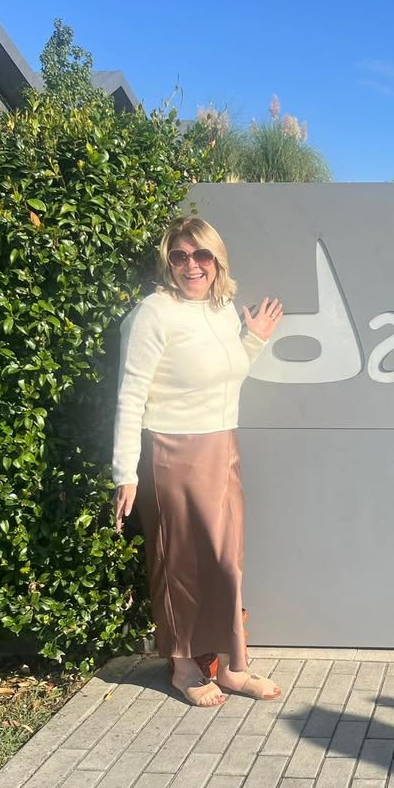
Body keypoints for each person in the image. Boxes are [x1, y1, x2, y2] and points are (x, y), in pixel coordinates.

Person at [112, 217, 284, 707]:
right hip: (173, 451)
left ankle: (233, 666)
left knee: (227, 561)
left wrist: (252, 339)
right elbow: (130, 396)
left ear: (216, 260)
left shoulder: (221, 309)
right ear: (168, 262)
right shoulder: (153, 314)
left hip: (222, 446)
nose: (192, 265)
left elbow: (227, 376)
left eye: (201, 255)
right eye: (180, 256)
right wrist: (125, 472)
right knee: (180, 563)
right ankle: (183, 666)